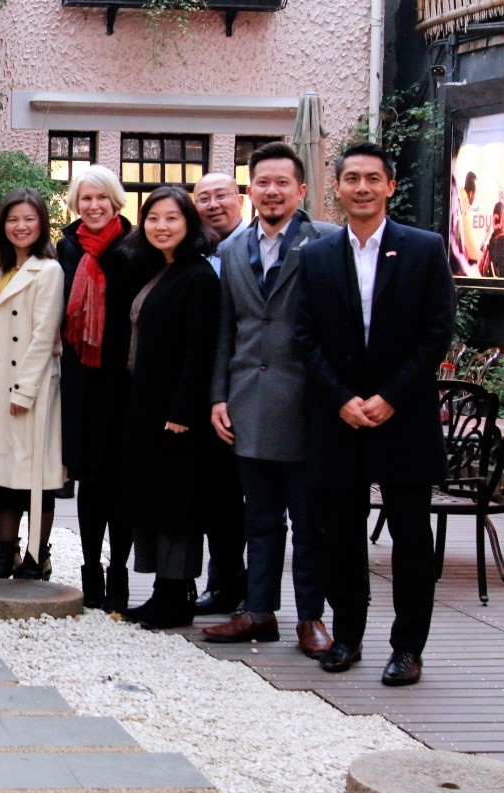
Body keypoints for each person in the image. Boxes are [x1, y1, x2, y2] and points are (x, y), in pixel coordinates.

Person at [294, 141, 454, 686]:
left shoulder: (424, 248)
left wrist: (390, 397)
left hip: (403, 415)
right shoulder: (315, 255)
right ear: (338, 188)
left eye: (372, 178)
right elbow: (304, 336)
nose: (362, 188)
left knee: (411, 538)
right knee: (340, 535)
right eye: (352, 178)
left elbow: (436, 332)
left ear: (390, 186)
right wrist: (341, 398)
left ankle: (408, 648)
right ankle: (347, 637)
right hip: (337, 416)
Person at [203, 142, 336, 658]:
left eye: (283, 183)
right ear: (249, 190)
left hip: (308, 402)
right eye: (263, 182)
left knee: (309, 522)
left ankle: (310, 617)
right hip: (247, 401)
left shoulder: (326, 242)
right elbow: (227, 329)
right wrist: (218, 395)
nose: (272, 191)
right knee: (258, 518)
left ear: (301, 190)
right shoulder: (233, 248)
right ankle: (258, 611)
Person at [118, 186, 220, 630]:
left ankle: (177, 596)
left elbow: (201, 351)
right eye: (153, 218)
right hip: (147, 406)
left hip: (177, 414)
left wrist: (182, 412)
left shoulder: (198, 276)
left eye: (172, 218)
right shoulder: (161, 268)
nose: (161, 226)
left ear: (189, 224)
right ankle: (163, 591)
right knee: (154, 501)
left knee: (178, 507)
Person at [58, 167, 141, 612]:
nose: (93, 206)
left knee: (121, 481)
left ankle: (119, 571)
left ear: (115, 201)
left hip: (124, 379)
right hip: (82, 379)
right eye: (85, 198)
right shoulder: (67, 247)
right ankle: (90, 570)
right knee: (90, 480)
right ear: (76, 203)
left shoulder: (137, 245)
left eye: (101, 198)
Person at [0, 188, 65, 583]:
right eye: (13, 219)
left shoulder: (49, 270)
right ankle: (4, 556)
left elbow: (44, 335)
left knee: (36, 476)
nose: (21, 226)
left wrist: (25, 390)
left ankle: (35, 559)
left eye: (29, 219)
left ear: (42, 224)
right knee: (6, 477)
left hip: (32, 386)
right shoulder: (3, 269)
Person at [192, 170, 248, 615]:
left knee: (261, 504)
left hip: (254, 389)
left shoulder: (257, 247)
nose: (213, 205)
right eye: (203, 198)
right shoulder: (196, 253)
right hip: (206, 394)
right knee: (218, 495)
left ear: (240, 200)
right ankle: (224, 583)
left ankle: (257, 593)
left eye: (221, 196)